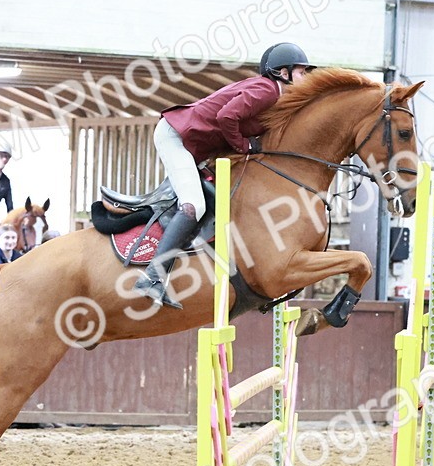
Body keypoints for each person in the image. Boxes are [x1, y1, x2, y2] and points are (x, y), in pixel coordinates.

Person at [134, 42, 315, 309]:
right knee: (193, 206)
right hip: (176, 137)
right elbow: (226, 116)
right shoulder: (267, 90)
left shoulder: (274, 96)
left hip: (191, 141)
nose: (306, 77)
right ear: (283, 73)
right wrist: (243, 145)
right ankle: (152, 277)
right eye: (301, 72)